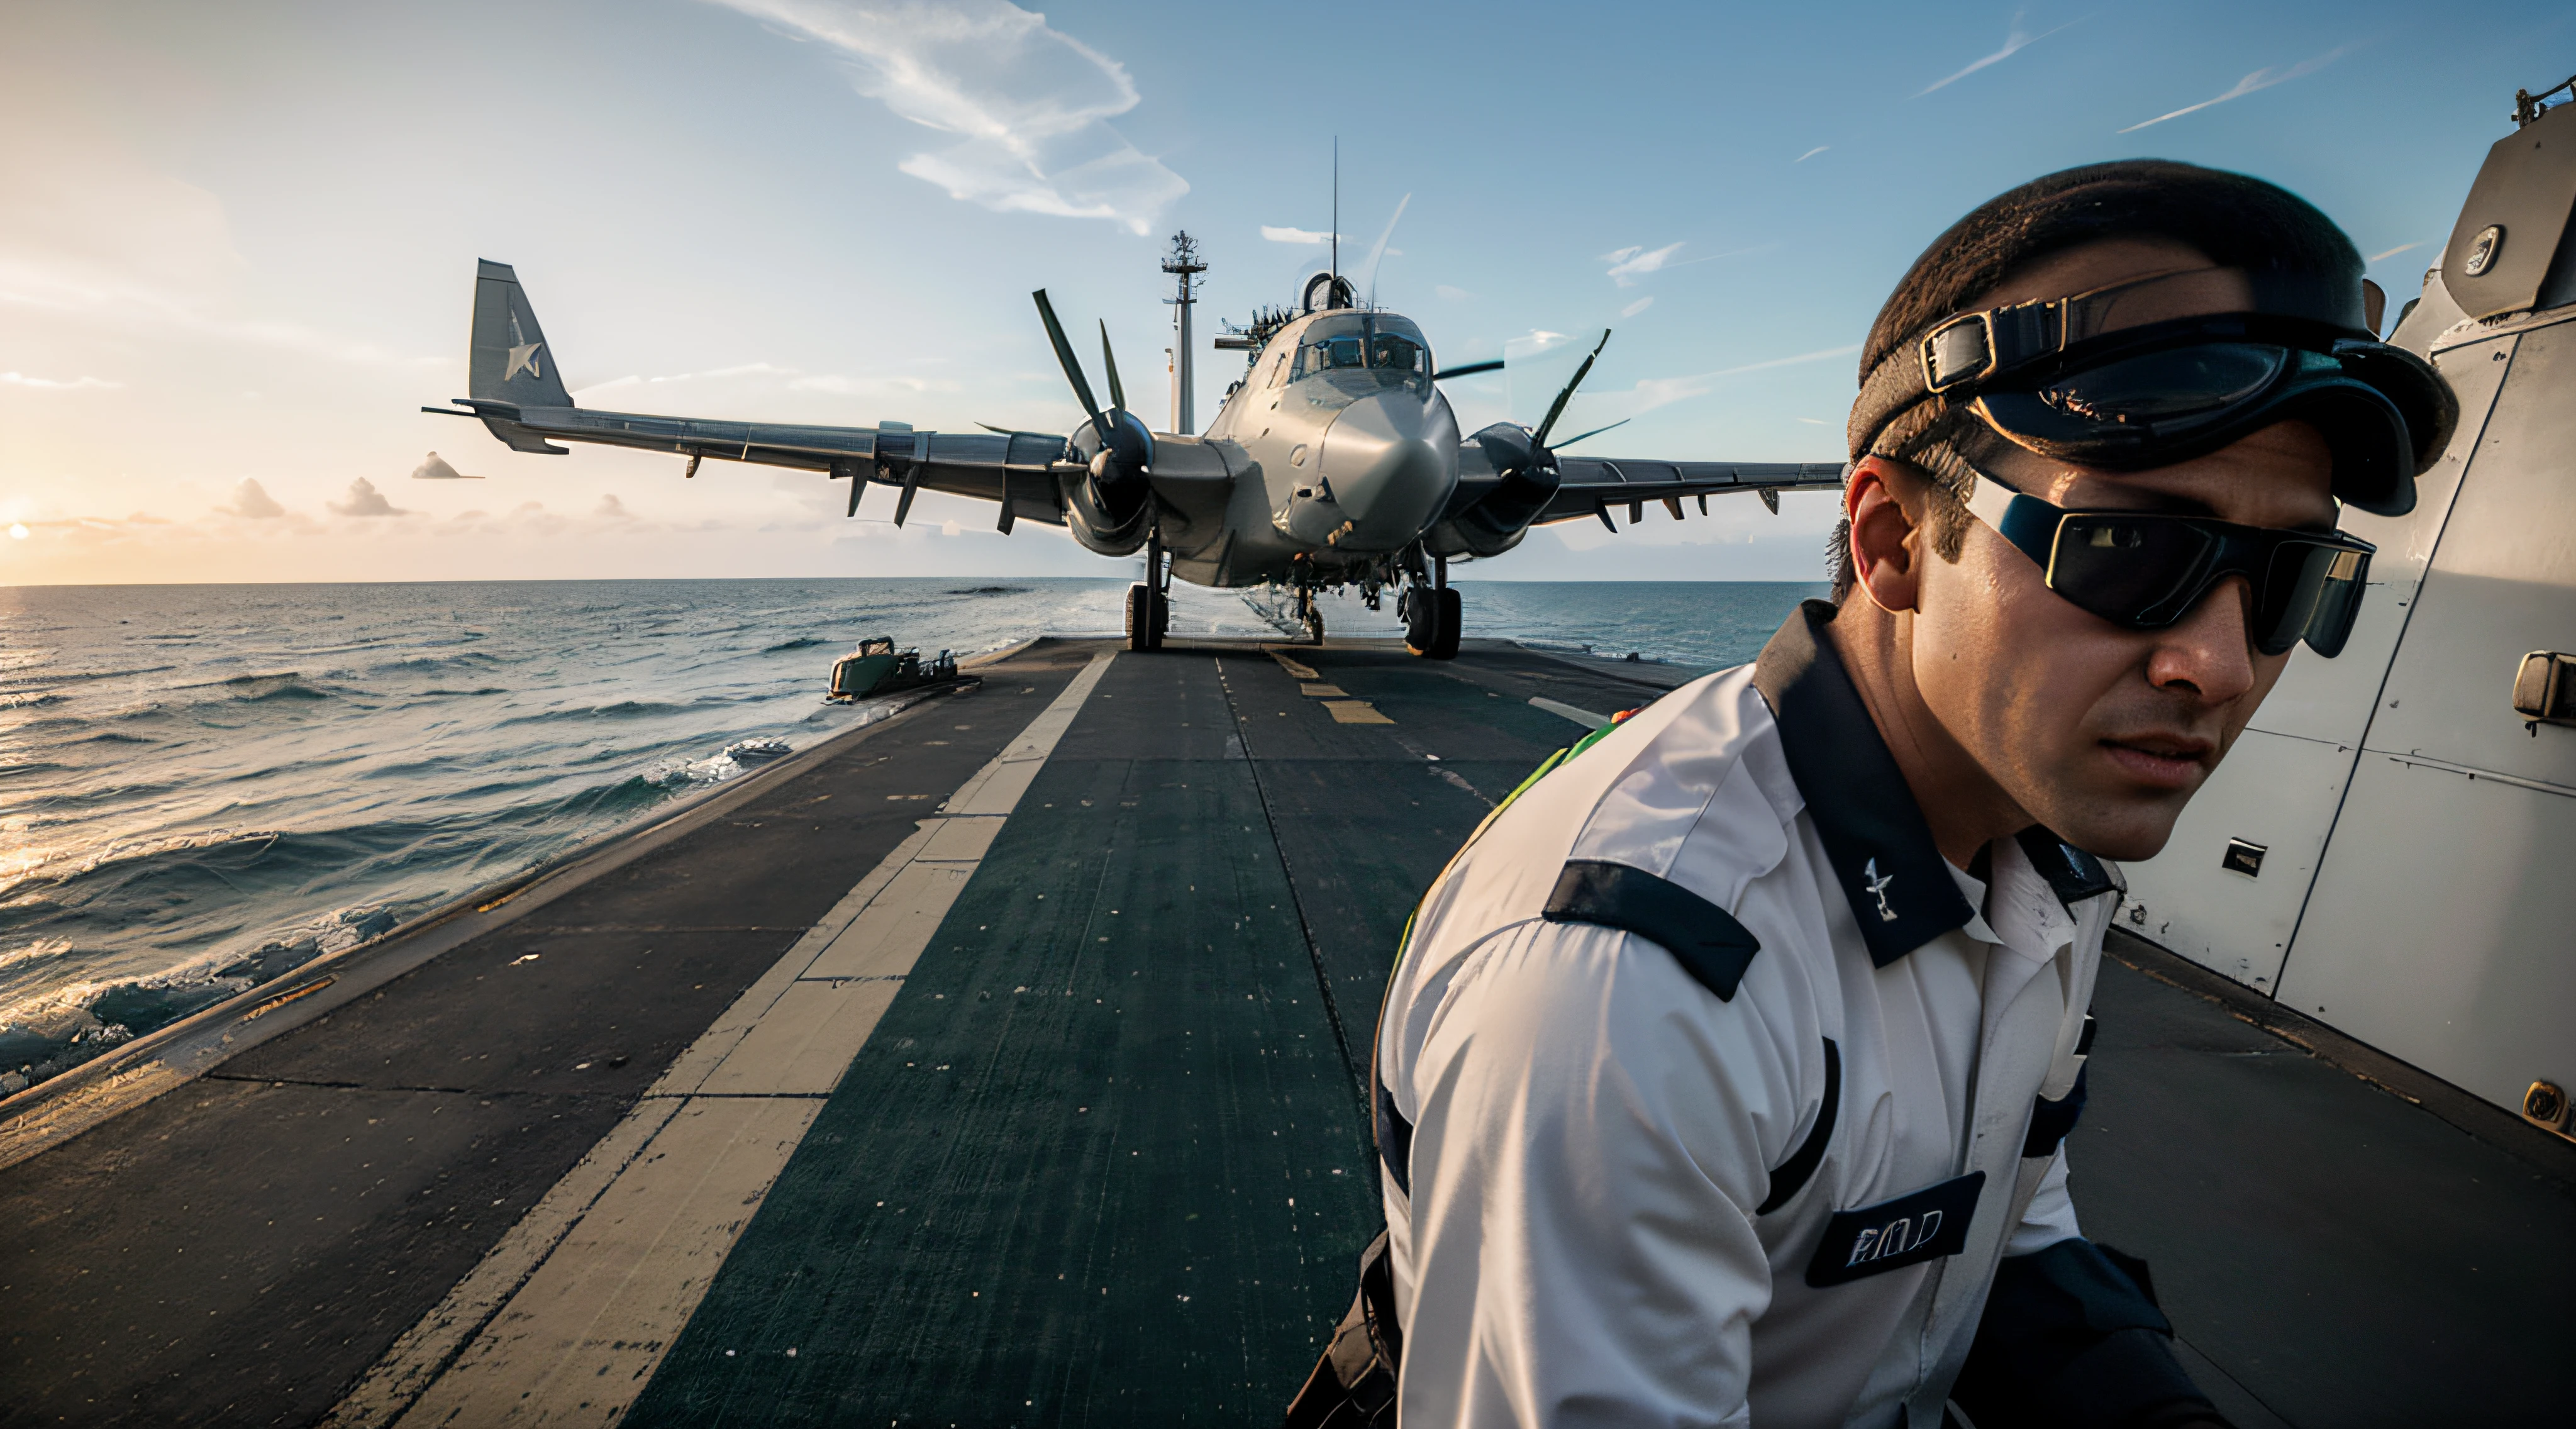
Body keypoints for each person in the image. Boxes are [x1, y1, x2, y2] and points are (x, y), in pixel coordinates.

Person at [1285, 160, 2455, 1428]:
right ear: (1893, 541)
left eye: (2292, 581)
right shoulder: (1630, 990)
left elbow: (2002, 1226)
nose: (2217, 666)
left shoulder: (2038, 857)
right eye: (2125, 549)